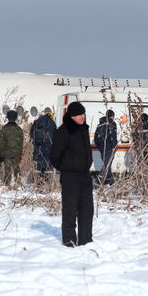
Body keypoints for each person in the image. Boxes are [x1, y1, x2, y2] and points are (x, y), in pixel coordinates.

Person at [50, 101, 94, 247]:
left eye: (83, 114)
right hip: (70, 177)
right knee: (70, 209)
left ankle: (86, 240)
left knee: (87, 210)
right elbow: (54, 157)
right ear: (71, 116)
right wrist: (67, 167)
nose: (82, 117)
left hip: (85, 176)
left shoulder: (83, 129)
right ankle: (69, 240)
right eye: (78, 115)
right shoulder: (63, 132)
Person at [30, 111, 57, 179]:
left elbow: (31, 134)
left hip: (37, 147)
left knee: (38, 165)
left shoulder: (36, 122)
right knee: (47, 166)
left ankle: (38, 181)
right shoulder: (52, 123)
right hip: (48, 147)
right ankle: (46, 183)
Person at [94, 110, 118, 185]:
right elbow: (113, 136)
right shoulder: (112, 123)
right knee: (107, 165)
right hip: (109, 147)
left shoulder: (99, 125)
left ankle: (111, 182)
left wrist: (100, 147)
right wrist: (114, 146)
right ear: (111, 116)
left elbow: (95, 139)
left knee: (107, 164)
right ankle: (99, 181)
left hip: (102, 148)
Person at [0, 110, 24, 185]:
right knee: (17, 170)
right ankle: (18, 184)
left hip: (6, 154)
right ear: (16, 118)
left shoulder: (4, 129)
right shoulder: (19, 130)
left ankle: (7, 185)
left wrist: (1, 154)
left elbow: (1, 143)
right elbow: (21, 143)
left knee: (7, 171)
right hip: (16, 154)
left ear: (8, 118)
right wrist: (20, 154)